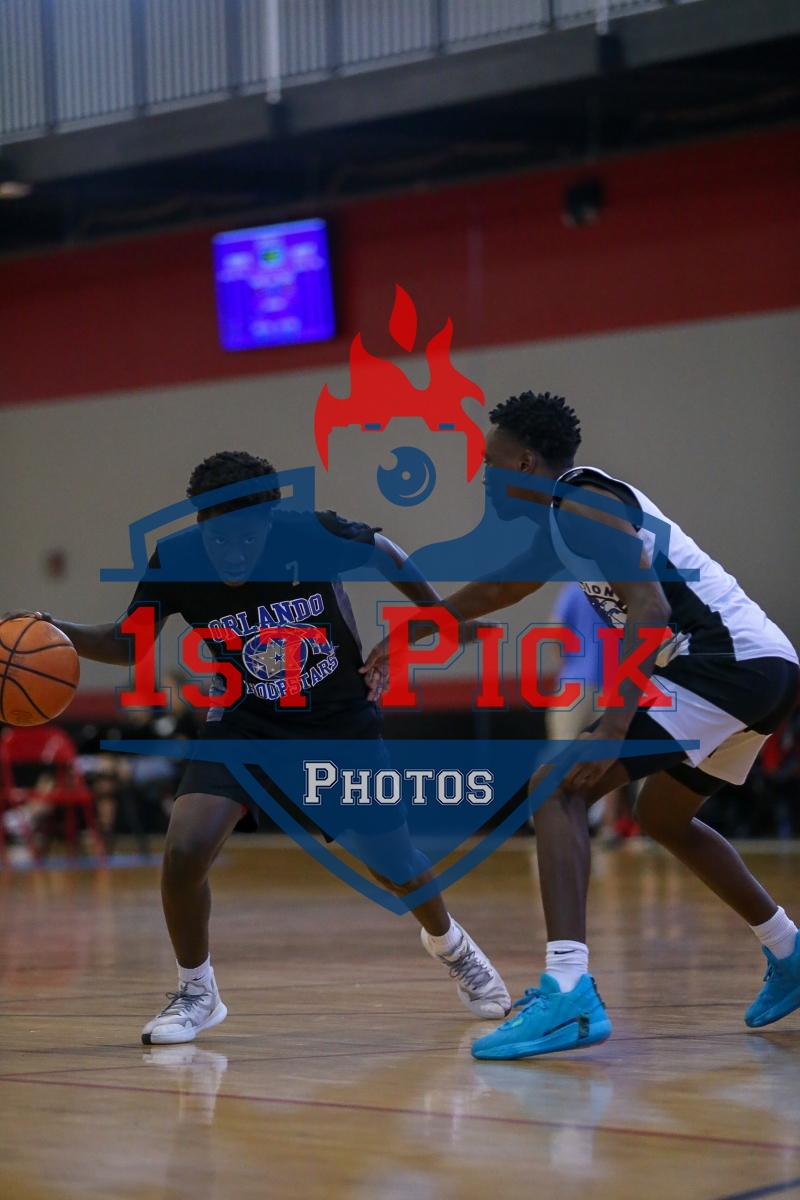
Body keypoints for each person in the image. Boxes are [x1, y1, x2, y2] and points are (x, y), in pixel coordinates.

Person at [7, 450, 510, 1044]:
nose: (232, 552)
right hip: (245, 722)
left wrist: (439, 617)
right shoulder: (176, 561)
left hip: (337, 723)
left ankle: (453, 946)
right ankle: (198, 992)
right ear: (200, 524)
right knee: (185, 850)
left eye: (247, 538)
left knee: (395, 866)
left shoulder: (314, 534)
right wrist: (52, 630)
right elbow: (127, 644)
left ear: (270, 522)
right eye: (218, 538)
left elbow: (384, 550)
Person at [363, 392, 800, 1060]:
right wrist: (414, 631)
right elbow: (500, 589)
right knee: (662, 816)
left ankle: (568, 990)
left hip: (723, 664)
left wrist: (612, 726)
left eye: (491, 462)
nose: (484, 476)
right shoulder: (564, 520)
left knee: (556, 784)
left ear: (525, 462)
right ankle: (789, 951)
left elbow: (650, 610)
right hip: (763, 670)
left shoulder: (582, 503)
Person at [547, 582, 639, 844]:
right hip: (612, 684)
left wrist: (567, 667)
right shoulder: (623, 591)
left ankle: (561, 826)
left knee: (562, 757)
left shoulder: (573, 589)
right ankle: (607, 827)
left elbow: (555, 632)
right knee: (608, 758)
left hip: (575, 686)